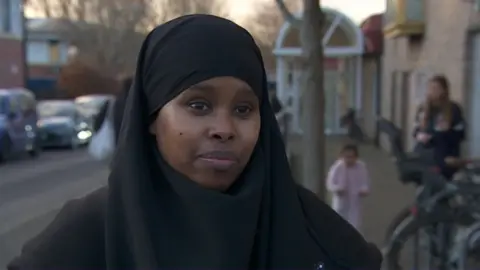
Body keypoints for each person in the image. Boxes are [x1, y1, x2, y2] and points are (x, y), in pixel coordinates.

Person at [8, 15, 381, 270]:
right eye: (198, 105)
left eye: (244, 108)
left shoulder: (311, 228)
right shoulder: (90, 233)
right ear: (152, 118)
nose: (224, 128)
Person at [413, 74, 466, 180]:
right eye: (430, 88)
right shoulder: (423, 109)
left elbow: (461, 134)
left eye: (435, 88)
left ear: (444, 90)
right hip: (425, 156)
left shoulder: (453, 109)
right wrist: (419, 134)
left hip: (445, 158)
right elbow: (415, 130)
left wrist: (446, 131)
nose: (431, 91)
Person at [326, 144, 370, 232]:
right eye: (347, 157)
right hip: (341, 199)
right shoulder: (337, 167)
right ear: (342, 156)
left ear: (356, 157)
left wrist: (364, 190)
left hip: (354, 199)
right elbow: (330, 183)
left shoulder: (361, 167)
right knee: (339, 222)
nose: (349, 160)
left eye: (351, 157)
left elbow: (365, 182)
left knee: (355, 224)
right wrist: (337, 189)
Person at [93, 77, 132, 144]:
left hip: (116, 141)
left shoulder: (112, 103)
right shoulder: (135, 103)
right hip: (131, 142)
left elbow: (98, 122)